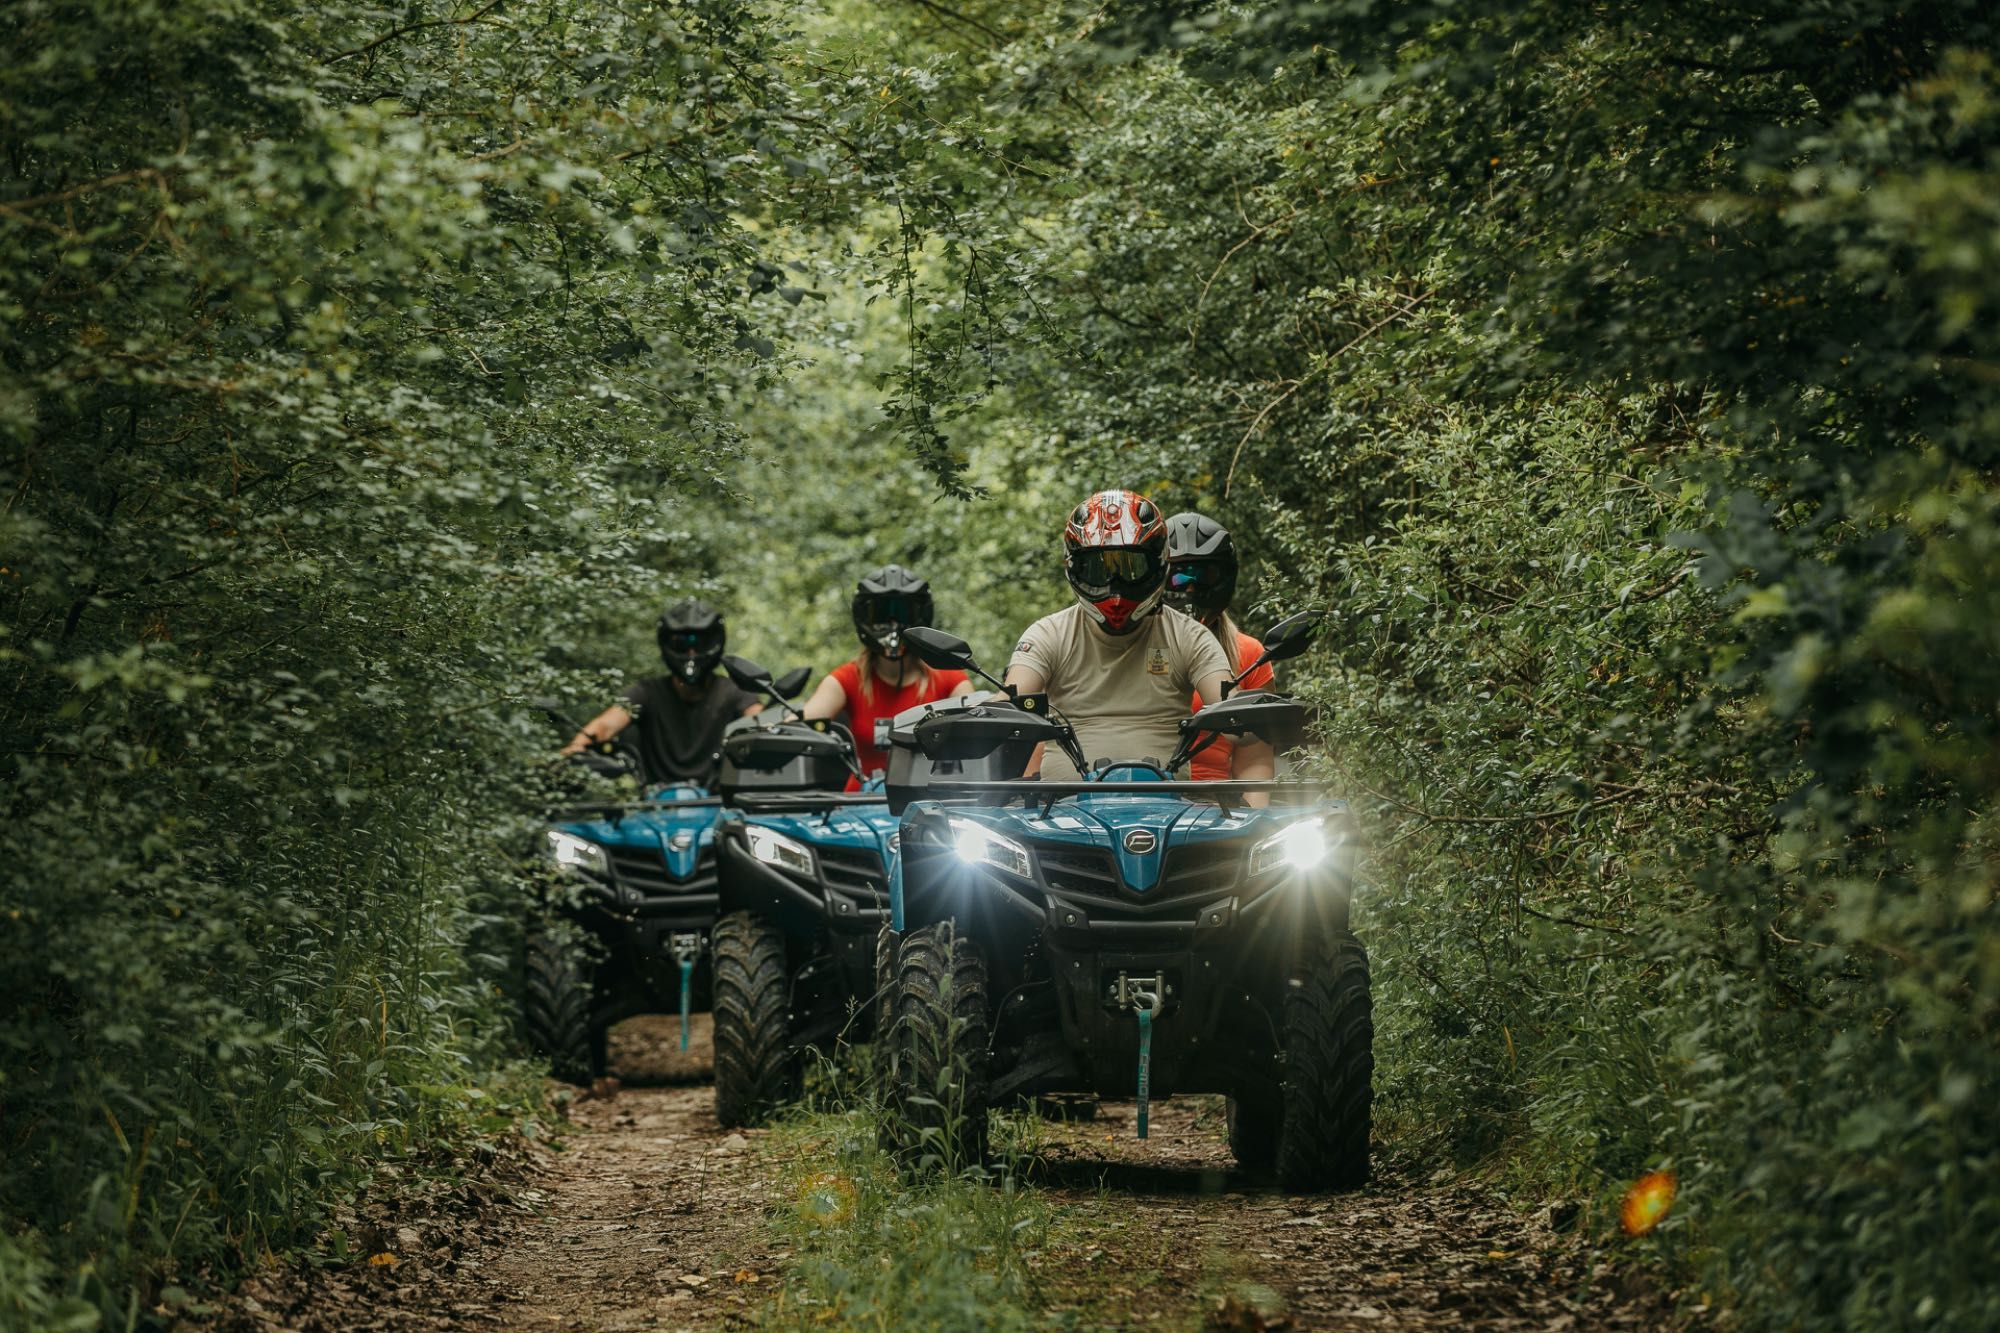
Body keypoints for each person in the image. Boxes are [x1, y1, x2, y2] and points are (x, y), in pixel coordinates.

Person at [1004, 489, 1275, 790]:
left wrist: (1264, 716)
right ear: (1074, 566)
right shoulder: (1048, 634)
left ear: (1159, 562)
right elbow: (1013, 699)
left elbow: (1228, 706)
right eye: (1098, 568)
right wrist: (969, 718)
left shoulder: (1190, 635)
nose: (1115, 587)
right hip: (1061, 817)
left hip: (1171, 818)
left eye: (1132, 568)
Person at [801, 564, 973, 788]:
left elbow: (977, 729)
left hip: (932, 804)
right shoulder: (847, 678)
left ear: (921, 615)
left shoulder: (950, 679)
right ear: (864, 617)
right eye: (881, 613)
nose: (893, 623)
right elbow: (803, 722)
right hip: (861, 804)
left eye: (903, 612)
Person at [561, 598, 762, 787]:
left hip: (720, 805)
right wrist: (575, 750)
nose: (691, 652)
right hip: (656, 807)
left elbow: (760, 721)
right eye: (681, 644)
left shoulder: (734, 692)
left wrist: (783, 724)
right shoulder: (646, 693)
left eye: (700, 643)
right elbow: (606, 724)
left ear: (715, 643)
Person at [1164, 512, 1276, 782]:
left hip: (1214, 810)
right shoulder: (1122, 647)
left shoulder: (1248, 654)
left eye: (1204, 576)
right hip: (1131, 804)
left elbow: (1255, 763)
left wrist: (1254, 822)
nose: (1189, 589)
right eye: (1176, 577)